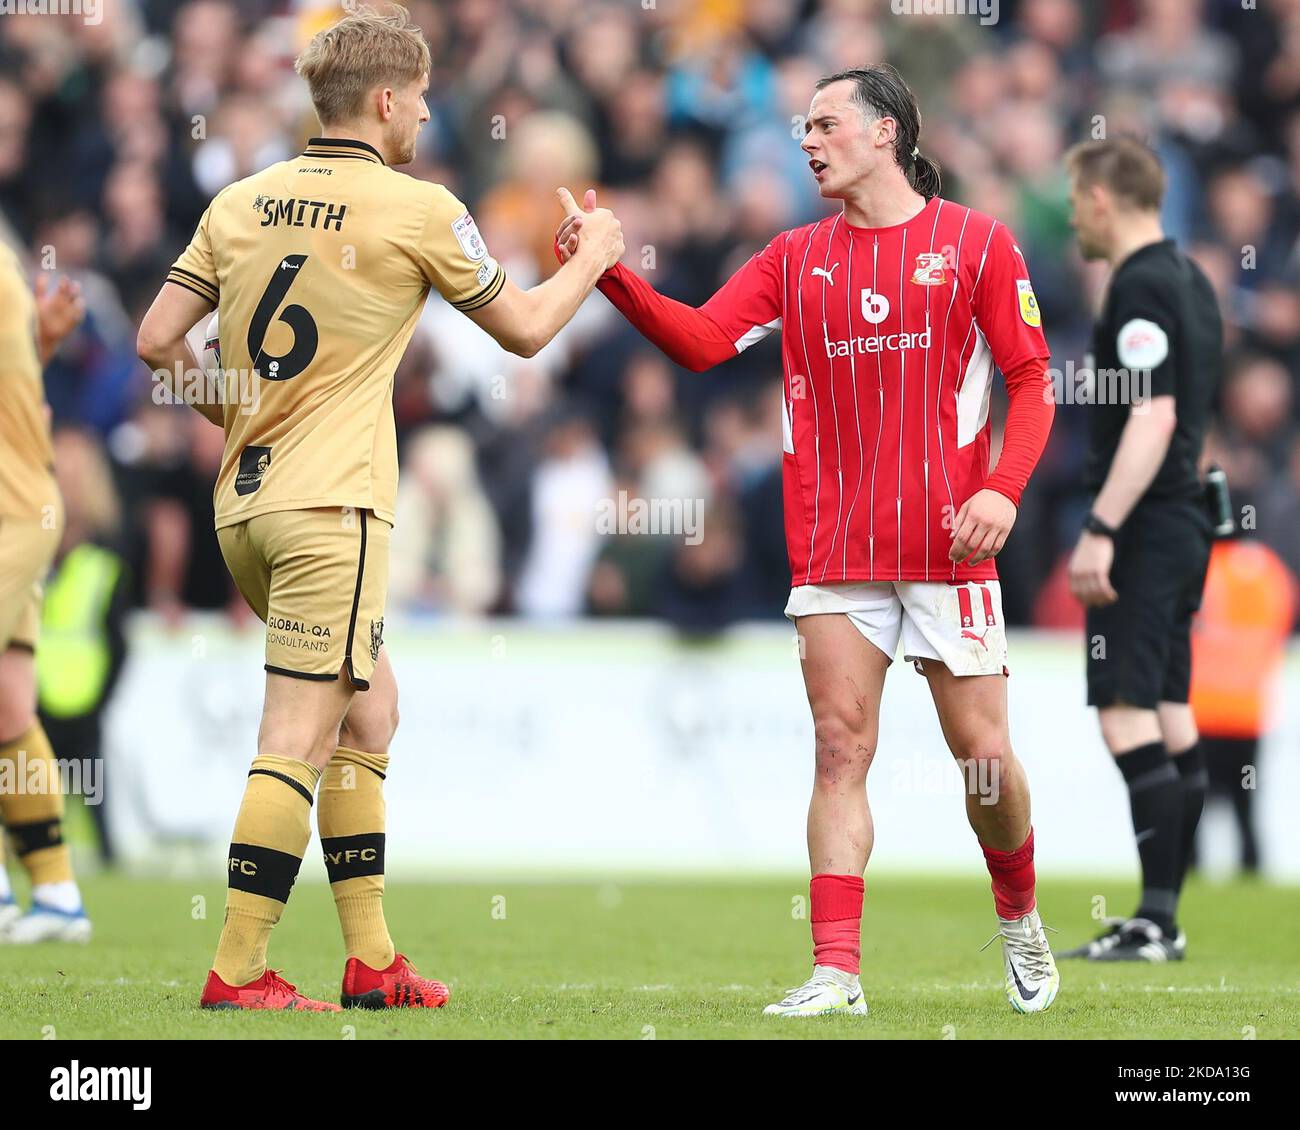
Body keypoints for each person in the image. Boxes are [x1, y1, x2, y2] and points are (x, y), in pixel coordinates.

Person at [136, 3, 622, 1012]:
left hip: (248, 504)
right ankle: (236, 968)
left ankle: (371, 959)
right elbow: (525, 329)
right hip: (333, 508)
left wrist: (229, 408)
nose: (430, 111)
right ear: (389, 99)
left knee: (372, 707)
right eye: (424, 95)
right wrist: (596, 255)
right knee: (297, 736)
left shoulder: (240, 199)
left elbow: (155, 338)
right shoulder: (417, 207)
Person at [557, 63, 1059, 1016]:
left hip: (952, 545)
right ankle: (837, 973)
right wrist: (607, 272)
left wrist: (1002, 488)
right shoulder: (794, 257)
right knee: (839, 749)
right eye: (803, 128)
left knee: (983, 760)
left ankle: (1019, 914)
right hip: (837, 549)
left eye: (826, 124)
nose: (808, 141)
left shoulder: (979, 244)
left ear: (887, 133)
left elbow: (1033, 384)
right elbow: (703, 339)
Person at [1062, 137, 1223, 962]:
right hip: (1186, 517)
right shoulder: (1191, 278)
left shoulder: (1140, 285)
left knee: (1125, 710)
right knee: (1165, 707)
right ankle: (1161, 912)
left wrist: (1102, 528)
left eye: (1073, 197)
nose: (1070, 216)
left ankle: (1158, 921)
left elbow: (1152, 417)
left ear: (1100, 197)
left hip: (1150, 525)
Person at [0, 255, 90, 944]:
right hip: (24, 500)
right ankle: (56, 895)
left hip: (9, 510)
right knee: (8, 703)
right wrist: (42, 345)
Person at [36, 428, 133, 869]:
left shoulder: (104, 557)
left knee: (93, 803)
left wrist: (103, 696)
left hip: (82, 697)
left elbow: (116, 639)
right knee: (30, 799)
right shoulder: (32, 551)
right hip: (33, 695)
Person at [1187, 536, 1296, 874]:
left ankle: (1188, 877)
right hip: (1246, 710)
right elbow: (1283, 617)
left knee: (1192, 806)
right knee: (1245, 805)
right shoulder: (1268, 569)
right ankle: (1251, 870)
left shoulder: (1197, 564)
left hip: (1199, 710)